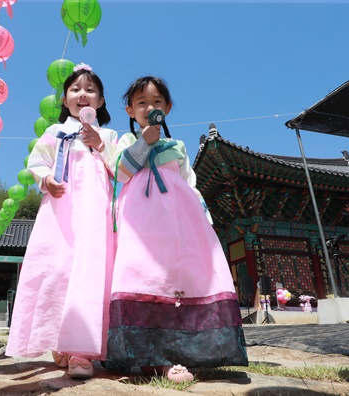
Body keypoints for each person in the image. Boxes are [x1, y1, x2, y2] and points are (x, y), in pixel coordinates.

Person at [106, 76, 248, 381]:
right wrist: (145, 141)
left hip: (178, 223)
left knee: (178, 280)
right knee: (144, 277)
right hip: (141, 224)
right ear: (130, 110)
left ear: (167, 108)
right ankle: (148, 356)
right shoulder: (127, 141)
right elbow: (121, 172)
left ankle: (177, 353)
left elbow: (189, 183)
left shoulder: (178, 146)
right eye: (142, 103)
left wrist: (203, 215)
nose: (150, 107)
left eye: (157, 102)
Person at [5, 64, 118, 379]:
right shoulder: (55, 132)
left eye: (90, 89)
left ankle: (83, 350)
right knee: (57, 270)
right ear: (65, 100)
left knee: (90, 273)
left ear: (101, 100)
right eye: (75, 89)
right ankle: (60, 340)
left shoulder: (109, 134)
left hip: (95, 213)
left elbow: (120, 168)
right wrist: (45, 181)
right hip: (61, 210)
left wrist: (99, 143)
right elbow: (37, 161)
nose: (83, 94)